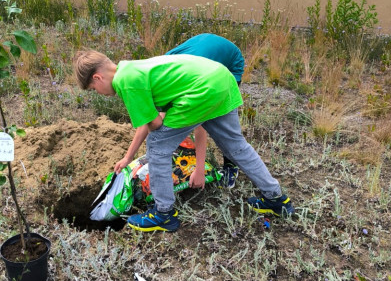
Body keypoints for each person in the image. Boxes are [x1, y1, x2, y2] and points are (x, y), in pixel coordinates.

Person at [74, 50, 293, 233]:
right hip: (219, 79)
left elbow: (156, 127)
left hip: (202, 91)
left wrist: (153, 142)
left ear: (97, 77)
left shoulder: (126, 82)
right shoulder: (132, 68)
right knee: (235, 146)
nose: (100, 93)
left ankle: (164, 214)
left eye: (95, 90)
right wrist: (128, 157)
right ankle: (276, 199)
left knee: (157, 148)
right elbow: (148, 122)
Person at [115, 33, 245, 188]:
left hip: (228, 60)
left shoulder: (178, 82)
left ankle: (231, 165)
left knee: (218, 119)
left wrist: (199, 169)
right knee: (178, 116)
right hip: (202, 49)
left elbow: (199, 125)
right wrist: (128, 157)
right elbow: (148, 121)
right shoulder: (156, 80)